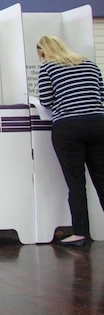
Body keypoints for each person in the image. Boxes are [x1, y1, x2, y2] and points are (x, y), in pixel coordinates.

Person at [36, 35, 104, 247]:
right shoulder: (90, 64)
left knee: (76, 183)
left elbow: (46, 100)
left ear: (43, 52)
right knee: (102, 179)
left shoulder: (48, 68)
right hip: (98, 124)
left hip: (68, 128)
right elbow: (101, 94)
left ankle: (80, 233)